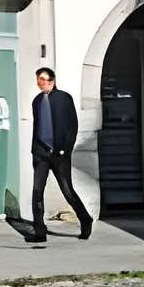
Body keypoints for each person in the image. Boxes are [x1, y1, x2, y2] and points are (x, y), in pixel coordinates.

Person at [29, 66, 94, 245]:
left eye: (42, 79)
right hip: (41, 153)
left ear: (51, 80)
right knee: (37, 191)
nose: (39, 83)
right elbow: (38, 126)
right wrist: (35, 150)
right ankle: (39, 230)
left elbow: (72, 126)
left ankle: (85, 219)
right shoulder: (36, 101)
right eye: (38, 79)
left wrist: (66, 148)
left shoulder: (64, 98)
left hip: (60, 154)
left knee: (67, 190)